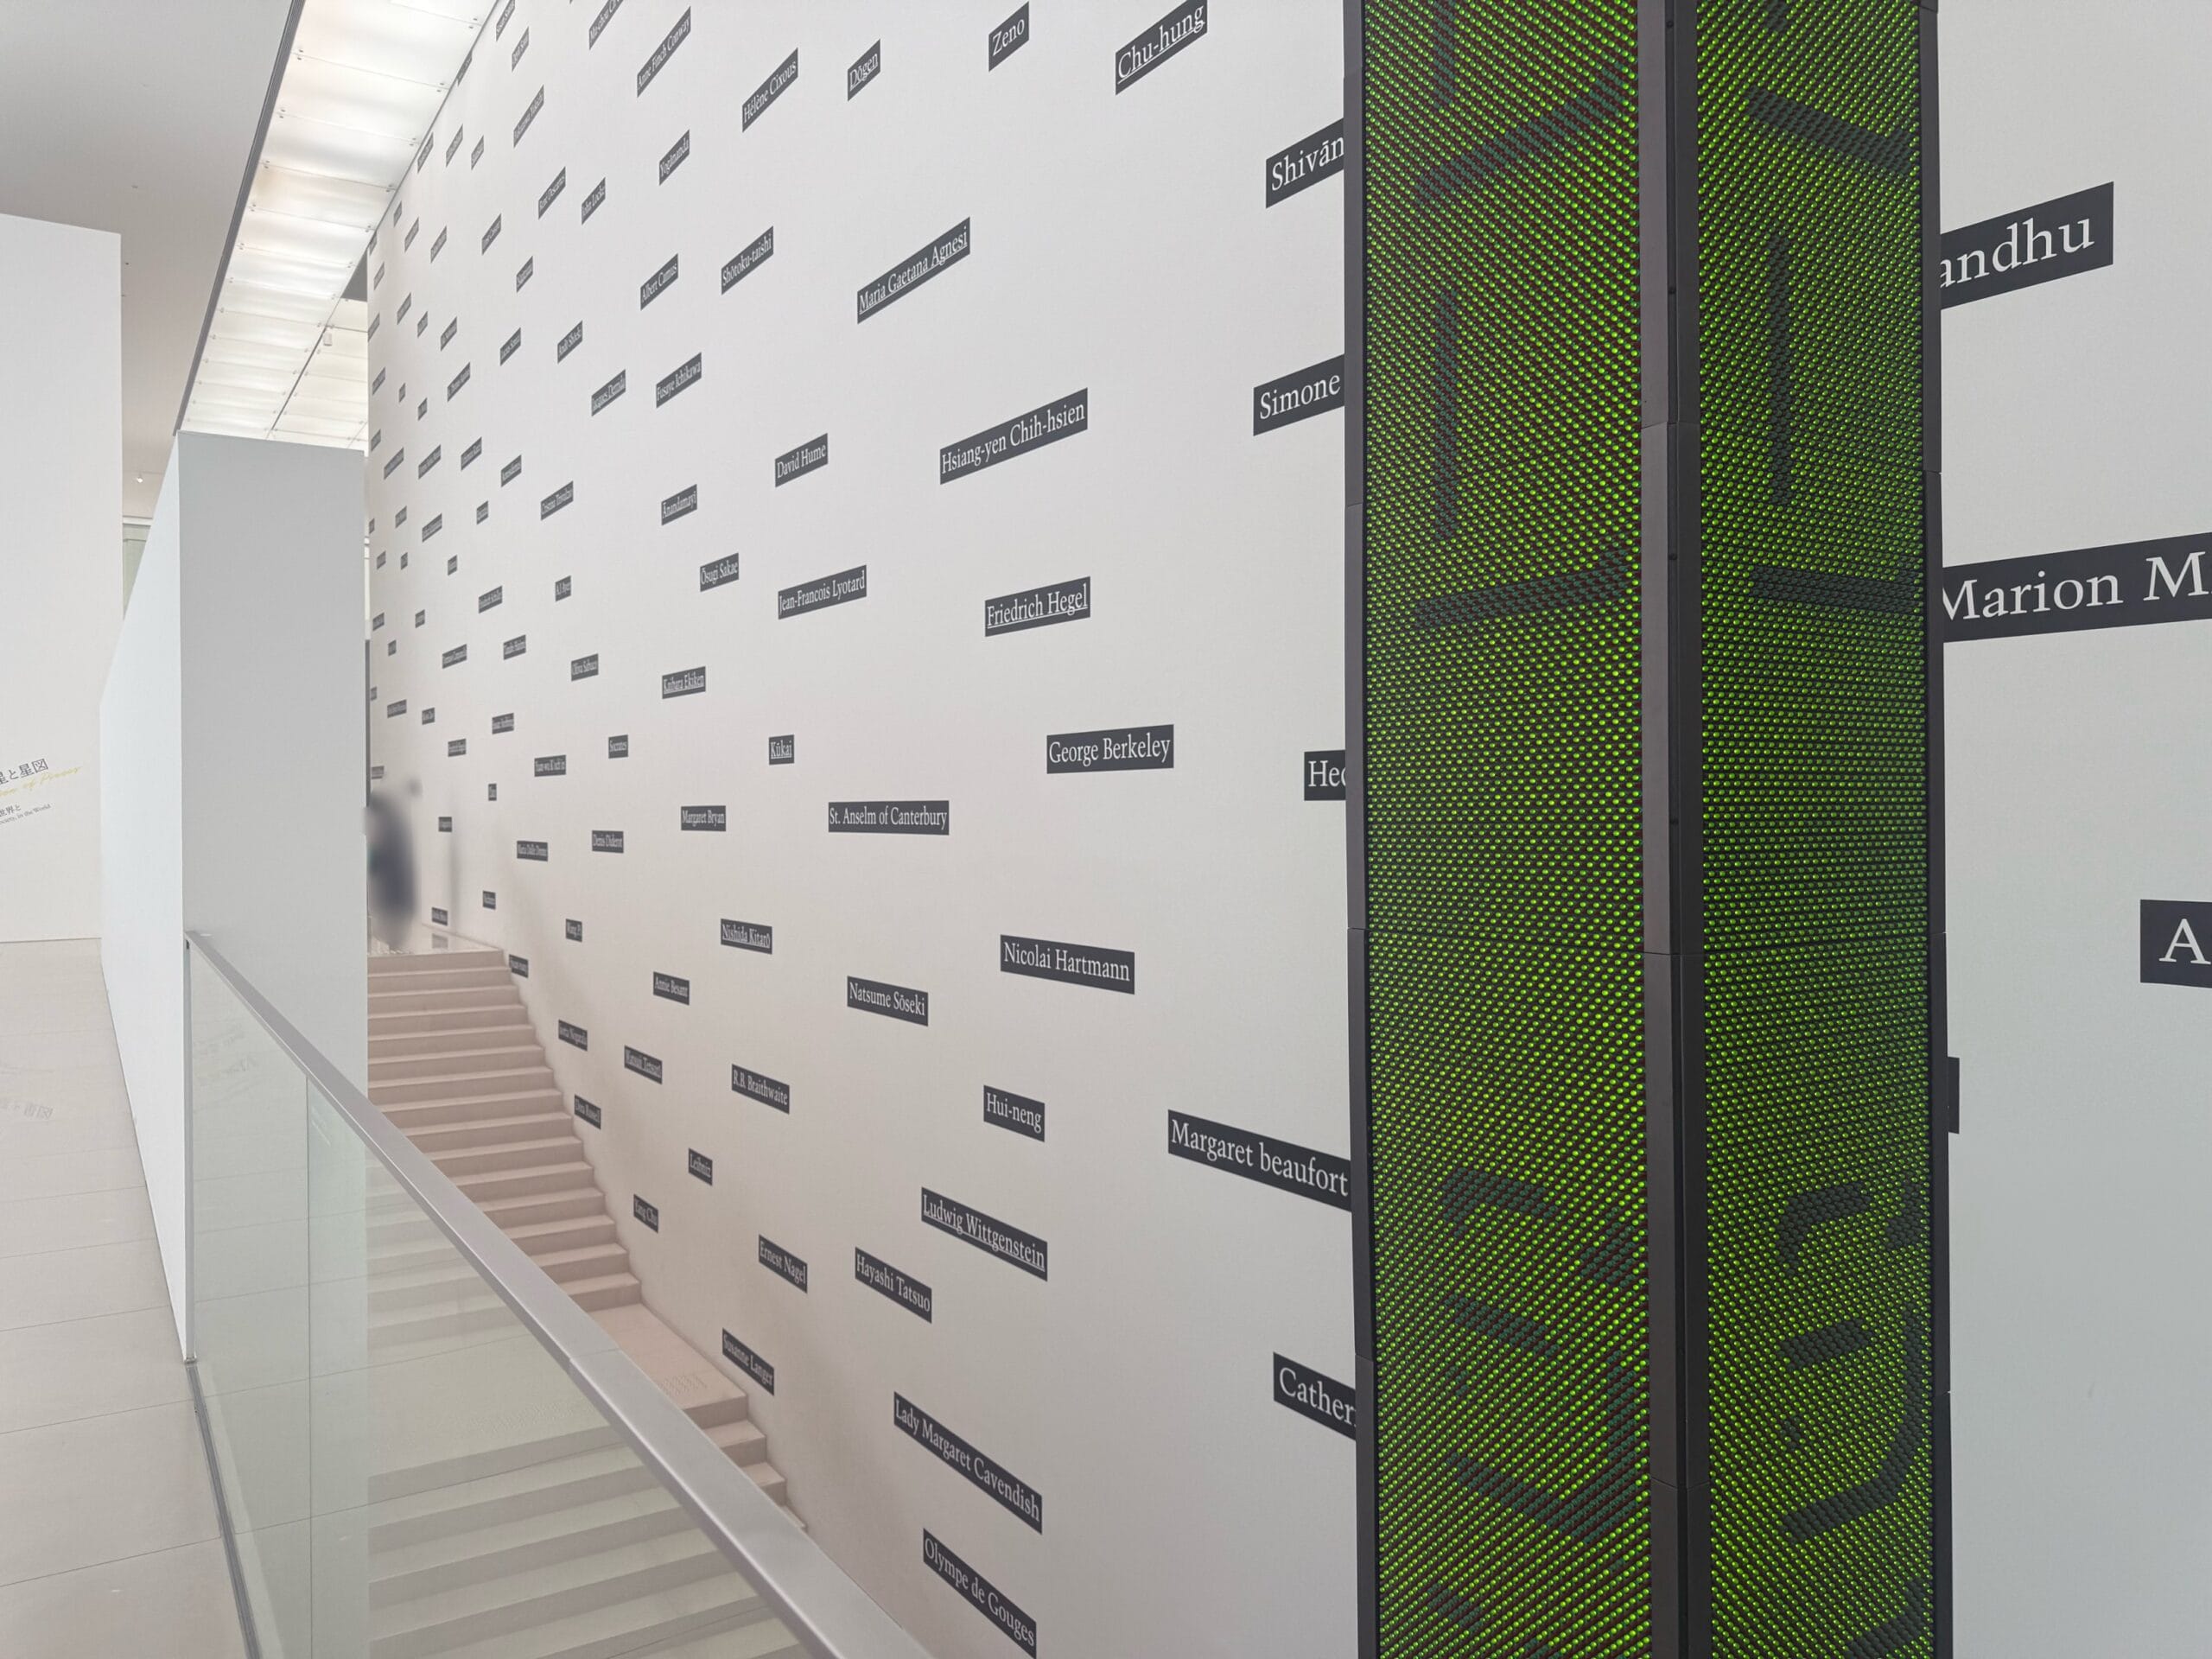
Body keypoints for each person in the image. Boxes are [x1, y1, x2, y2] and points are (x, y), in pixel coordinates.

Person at [365, 790, 416, 949]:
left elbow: (377, 860)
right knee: (395, 936)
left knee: (394, 934)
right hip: (396, 898)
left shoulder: (387, 828)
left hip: (392, 898)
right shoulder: (394, 825)